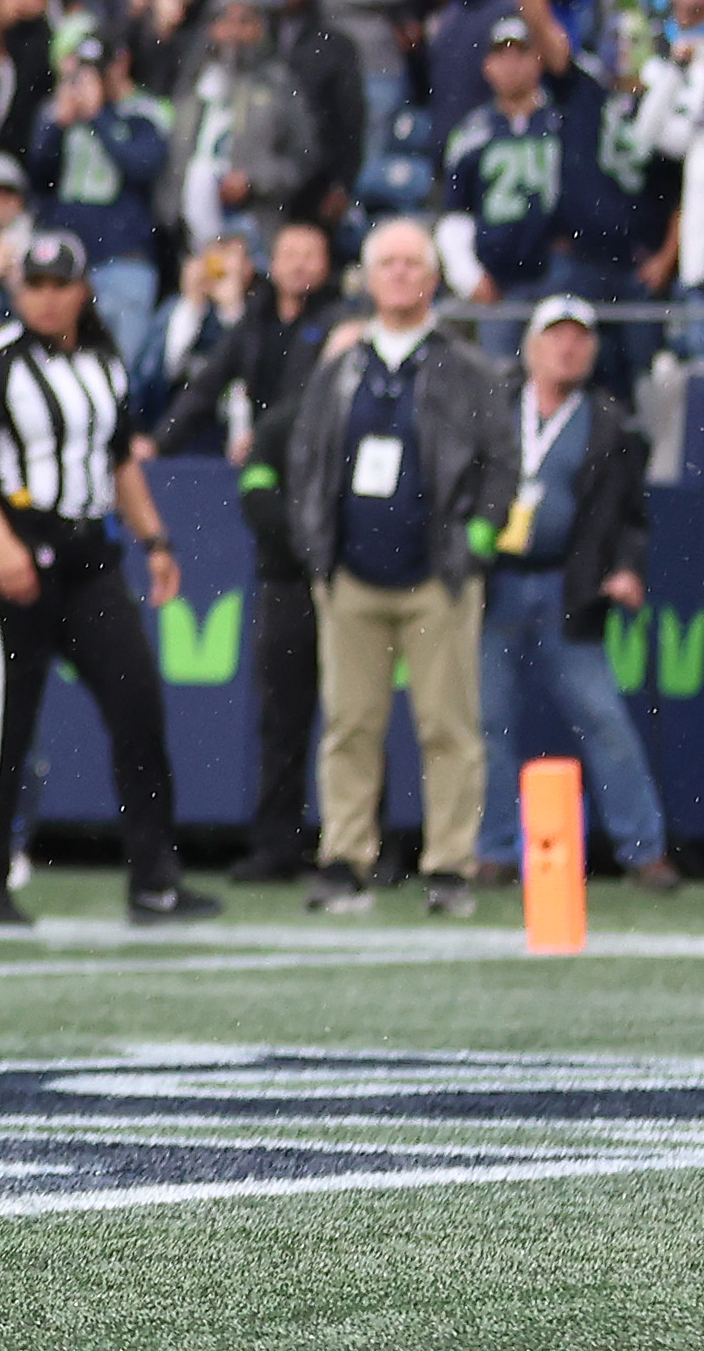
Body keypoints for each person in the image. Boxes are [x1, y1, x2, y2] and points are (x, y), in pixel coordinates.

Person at [0, 228, 216, 927]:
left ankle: (153, 881)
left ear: (82, 290)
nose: (47, 299)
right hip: (13, 540)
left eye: (59, 285)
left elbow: (119, 459)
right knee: (8, 714)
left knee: (138, 707)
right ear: (16, 291)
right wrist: (1, 547)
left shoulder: (102, 360)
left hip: (88, 549)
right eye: (34, 285)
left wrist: (153, 537)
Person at [269, 215, 514, 918]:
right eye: (389, 263)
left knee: (448, 727)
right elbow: (305, 455)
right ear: (369, 279)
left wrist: (475, 538)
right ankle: (345, 858)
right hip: (350, 572)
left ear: (433, 277)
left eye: (413, 263)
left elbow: (501, 459)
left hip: (436, 575)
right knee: (349, 724)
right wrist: (316, 545)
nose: (401, 274)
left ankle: (448, 866)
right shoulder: (340, 367)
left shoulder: (466, 367)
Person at [167, 218, 349, 882]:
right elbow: (206, 384)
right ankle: (276, 844)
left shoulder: (336, 322)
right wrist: (157, 442)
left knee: (354, 712)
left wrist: (272, 440)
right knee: (282, 710)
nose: (299, 264)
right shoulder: (254, 322)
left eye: (311, 252)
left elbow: (313, 401)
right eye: (289, 252)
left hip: (339, 537)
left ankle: (358, 846)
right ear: (270, 262)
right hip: (282, 550)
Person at [477, 296, 678, 890]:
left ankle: (645, 849)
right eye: (557, 338)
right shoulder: (493, 410)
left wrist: (625, 567)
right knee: (488, 723)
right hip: (498, 584)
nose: (569, 348)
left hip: (570, 587)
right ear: (532, 347)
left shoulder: (609, 421)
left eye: (580, 339)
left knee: (602, 718)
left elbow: (631, 516)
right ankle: (490, 850)